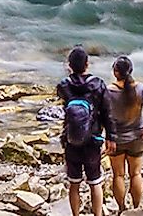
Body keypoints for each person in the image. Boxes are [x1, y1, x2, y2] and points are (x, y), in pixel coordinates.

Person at [56, 46, 111, 216]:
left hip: (71, 139)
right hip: (92, 140)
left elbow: (63, 104)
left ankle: (75, 215)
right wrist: (111, 137)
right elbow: (108, 113)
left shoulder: (64, 85)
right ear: (87, 64)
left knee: (74, 183)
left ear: (70, 65)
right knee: (95, 183)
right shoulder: (98, 84)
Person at [103, 55, 143, 212]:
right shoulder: (141, 89)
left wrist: (104, 135)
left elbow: (102, 115)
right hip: (137, 138)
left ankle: (121, 208)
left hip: (116, 138)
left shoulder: (108, 91)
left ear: (115, 72)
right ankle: (137, 208)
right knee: (136, 173)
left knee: (118, 175)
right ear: (131, 71)